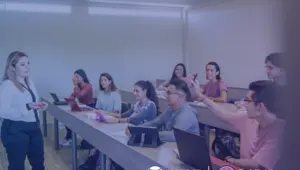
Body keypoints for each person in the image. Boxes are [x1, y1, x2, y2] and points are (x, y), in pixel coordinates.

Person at [190, 79, 285, 170]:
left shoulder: (280, 132)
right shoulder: (248, 119)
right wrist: (202, 98)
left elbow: (256, 164)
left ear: (260, 107)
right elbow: (224, 115)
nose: (243, 104)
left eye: (247, 101)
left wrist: (231, 160)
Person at [0, 51, 48, 170]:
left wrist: (39, 106)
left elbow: (32, 104)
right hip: (15, 130)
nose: (27, 67)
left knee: (39, 164)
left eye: (28, 63)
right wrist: (27, 107)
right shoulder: (7, 85)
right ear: (13, 67)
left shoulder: (29, 82)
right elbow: (3, 111)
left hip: (34, 128)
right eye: (22, 64)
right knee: (17, 166)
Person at [128, 79, 199, 142]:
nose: (166, 95)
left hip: (186, 151)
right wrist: (136, 129)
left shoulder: (186, 114)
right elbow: (155, 122)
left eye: (169, 93)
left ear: (180, 96)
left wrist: (143, 133)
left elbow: (173, 136)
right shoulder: (171, 109)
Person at [78, 73, 122, 170]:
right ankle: (95, 158)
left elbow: (118, 113)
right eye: (101, 80)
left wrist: (104, 112)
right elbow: (97, 108)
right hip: (101, 120)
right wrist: (97, 113)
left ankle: (94, 160)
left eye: (105, 80)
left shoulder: (116, 95)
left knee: (101, 139)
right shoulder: (101, 93)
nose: (103, 82)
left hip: (111, 122)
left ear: (110, 82)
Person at [60, 69, 94, 147]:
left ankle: (71, 138)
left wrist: (75, 86)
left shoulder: (88, 86)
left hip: (89, 108)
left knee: (72, 119)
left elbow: (79, 95)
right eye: (74, 76)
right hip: (81, 108)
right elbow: (72, 96)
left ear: (82, 77)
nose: (75, 78)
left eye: (77, 76)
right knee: (67, 117)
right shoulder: (78, 86)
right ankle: (69, 138)